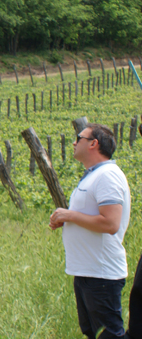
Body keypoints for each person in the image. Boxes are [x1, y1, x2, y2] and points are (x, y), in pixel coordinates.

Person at [50, 124, 130, 339]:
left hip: (101, 272)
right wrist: (68, 220)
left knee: (108, 335)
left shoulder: (107, 176)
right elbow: (92, 218)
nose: (73, 143)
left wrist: (70, 216)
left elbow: (110, 223)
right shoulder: (94, 175)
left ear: (94, 143)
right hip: (88, 271)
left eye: (79, 138)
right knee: (93, 332)